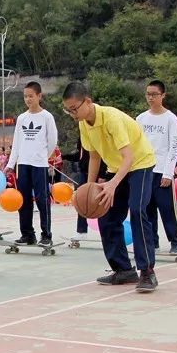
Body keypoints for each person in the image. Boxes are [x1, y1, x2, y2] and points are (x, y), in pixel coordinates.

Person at [61, 82, 158, 292]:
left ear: (88, 101)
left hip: (140, 163)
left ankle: (147, 272)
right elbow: (94, 155)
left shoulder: (111, 118)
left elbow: (129, 157)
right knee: (106, 215)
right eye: (68, 111)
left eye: (74, 109)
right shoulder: (84, 123)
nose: (72, 114)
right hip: (117, 167)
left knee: (137, 210)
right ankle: (123, 270)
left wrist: (113, 184)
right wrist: (89, 186)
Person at [6, 81, 58, 246]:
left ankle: (46, 235)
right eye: (25, 96)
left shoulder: (46, 117)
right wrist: (11, 164)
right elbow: (17, 142)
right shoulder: (22, 118)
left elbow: (52, 140)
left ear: (39, 96)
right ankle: (28, 234)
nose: (28, 99)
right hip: (23, 164)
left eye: (31, 96)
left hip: (40, 165)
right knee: (24, 200)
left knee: (42, 200)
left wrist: (43, 156)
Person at [136, 80, 177, 254]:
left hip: (162, 170)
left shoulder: (170, 118)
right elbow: (136, 144)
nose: (151, 97)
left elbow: (173, 146)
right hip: (145, 169)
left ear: (163, 95)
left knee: (166, 208)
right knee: (147, 209)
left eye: (154, 94)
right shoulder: (140, 118)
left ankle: (175, 240)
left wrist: (168, 173)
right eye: (148, 94)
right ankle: (152, 242)